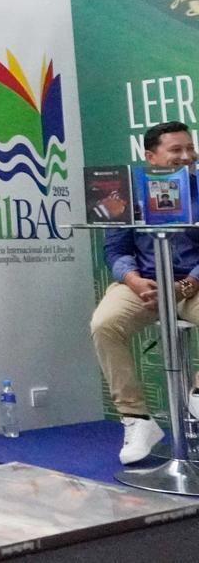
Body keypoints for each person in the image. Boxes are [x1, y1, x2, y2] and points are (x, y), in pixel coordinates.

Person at [90, 121, 199, 464]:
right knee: (105, 324)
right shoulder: (126, 194)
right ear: (150, 156)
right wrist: (134, 280)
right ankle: (137, 419)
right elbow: (116, 250)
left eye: (189, 149)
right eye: (175, 150)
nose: (186, 157)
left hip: (193, 284)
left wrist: (187, 284)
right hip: (145, 285)